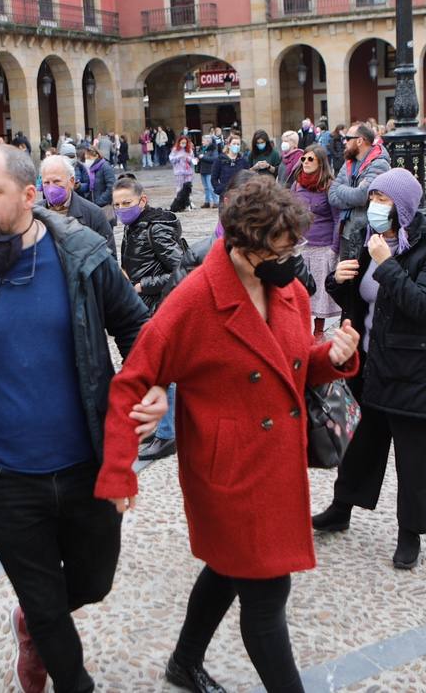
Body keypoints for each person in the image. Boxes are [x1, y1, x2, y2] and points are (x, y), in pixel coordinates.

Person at [0, 145, 161, 693]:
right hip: (1, 474)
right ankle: (68, 673)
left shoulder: (83, 254)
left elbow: (138, 328)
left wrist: (154, 385)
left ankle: (32, 623)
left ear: (29, 196)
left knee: (94, 582)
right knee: (46, 602)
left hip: (86, 463)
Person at [95, 174, 360, 693]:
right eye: (282, 250)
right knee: (266, 602)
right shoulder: (194, 300)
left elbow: (288, 362)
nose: (293, 259)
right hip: (229, 475)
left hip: (277, 462)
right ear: (242, 245)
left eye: (295, 247)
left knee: (225, 569)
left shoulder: (284, 288)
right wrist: (119, 473)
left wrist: (329, 356)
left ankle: (183, 662)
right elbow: (131, 382)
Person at [314, 169, 426, 570]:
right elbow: (365, 301)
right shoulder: (373, 242)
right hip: (368, 366)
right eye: (373, 198)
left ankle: (409, 534)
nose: (374, 207)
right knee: (358, 446)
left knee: (414, 461)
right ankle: (341, 508)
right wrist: (337, 280)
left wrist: (387, 265)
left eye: (383, 200)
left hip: (412, 371)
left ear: (403, 206)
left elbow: (423, 305)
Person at [114, 176, 185, 463]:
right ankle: (159, 426)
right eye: (117, 204)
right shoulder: (134, 227)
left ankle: (167, 434)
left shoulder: (156, 228)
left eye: (127, 203)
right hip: (141, 307)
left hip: (158, 307)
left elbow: (181, 268)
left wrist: (143, 285)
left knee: (163, 373)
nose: (121, 209)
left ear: (142, 201)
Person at [292, 145, 341, 336]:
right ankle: (302, 328)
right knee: (300, 290)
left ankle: (318, 331)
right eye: (303, 159)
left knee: (320, 292)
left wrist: (334, 248)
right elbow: (290, 213)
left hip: (323, 246)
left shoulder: (329, 186)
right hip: (300, 245)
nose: (305, 162)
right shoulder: (297, 184)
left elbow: (338, 219)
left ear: (321, 162)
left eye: (310, 159)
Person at [329, 123, 392, 263]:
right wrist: (352, 195)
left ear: (359, 140)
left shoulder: (379, 163)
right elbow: (331, 195)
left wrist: (341, 189)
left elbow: (362, 197)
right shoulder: (349, 162)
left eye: (347, 138)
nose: (344, 142)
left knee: (360, 281)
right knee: (345, 280)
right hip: (346, 232)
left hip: (365, 236)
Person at [39, 155, 115, 257]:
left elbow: (109, 261)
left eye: (57, 181)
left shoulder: (93, 214)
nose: (51, 188)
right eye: (46, 183)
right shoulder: (33, 214)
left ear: (71, 181)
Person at [211, 134, 251, 200]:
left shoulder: (243, 160)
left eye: (238, 144)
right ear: (229, 145)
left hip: (240, 195)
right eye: (234, 144)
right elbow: (214, 178)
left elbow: (247, 177)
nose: (236, 146)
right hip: (225, 195)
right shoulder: (220, 160)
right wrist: (220, 189)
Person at [82, 145, 116, 219]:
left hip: (104, 206)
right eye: (86, 158)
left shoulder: (105, 167)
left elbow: (111, 186)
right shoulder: (89, 170)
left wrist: (100, 201)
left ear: (96, 156)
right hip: (93, 206)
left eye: (89, 158)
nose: (87, 160)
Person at [196, 134, 221, 209]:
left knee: (211, 187)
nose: (202, 142)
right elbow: (199, 155)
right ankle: (207, 202)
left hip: (210, 170)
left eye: (203, 140)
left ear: (208, 141)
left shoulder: (213, 149)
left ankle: (216, 202)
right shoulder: (202, 148)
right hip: (202, 170)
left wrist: (203, 157)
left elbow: (214, 159)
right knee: (206, 187)